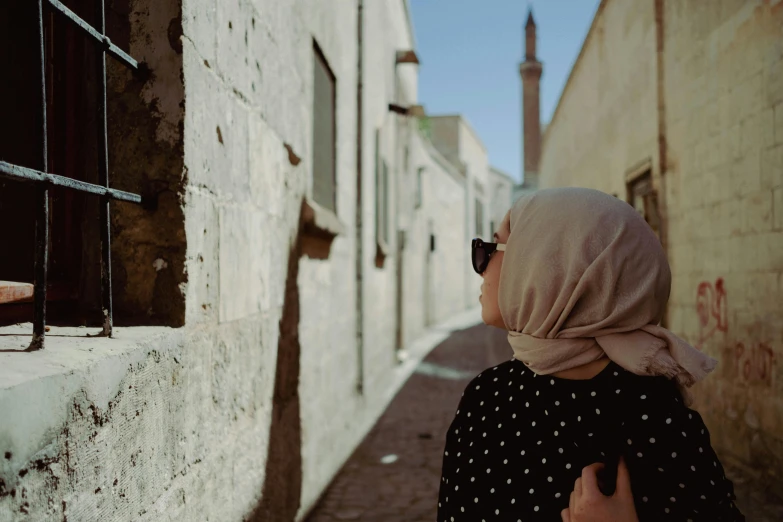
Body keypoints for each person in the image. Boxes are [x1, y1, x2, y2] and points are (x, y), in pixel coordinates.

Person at [436, 188, 744, 521]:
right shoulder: (486, 398)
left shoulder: (653, 411)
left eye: (489, 249)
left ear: (544, 264)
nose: (480, 268)